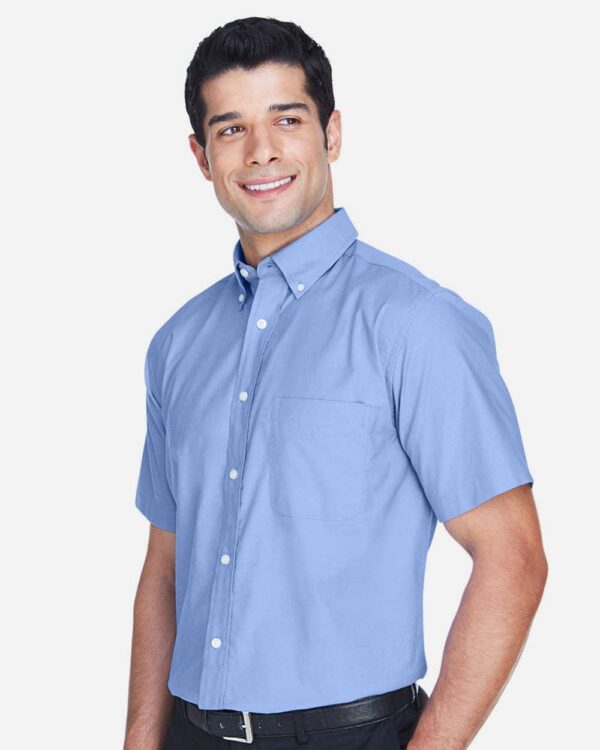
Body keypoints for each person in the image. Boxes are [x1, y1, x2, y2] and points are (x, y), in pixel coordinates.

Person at [123, 16, 548, 750]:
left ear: (333, 133)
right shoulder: (178, 343)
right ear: (201, 155)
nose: (261, 150)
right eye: (231, 128)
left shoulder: (416, 323)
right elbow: (165, 568)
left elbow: (513, 558)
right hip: (189, 732)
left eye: (287, 119)